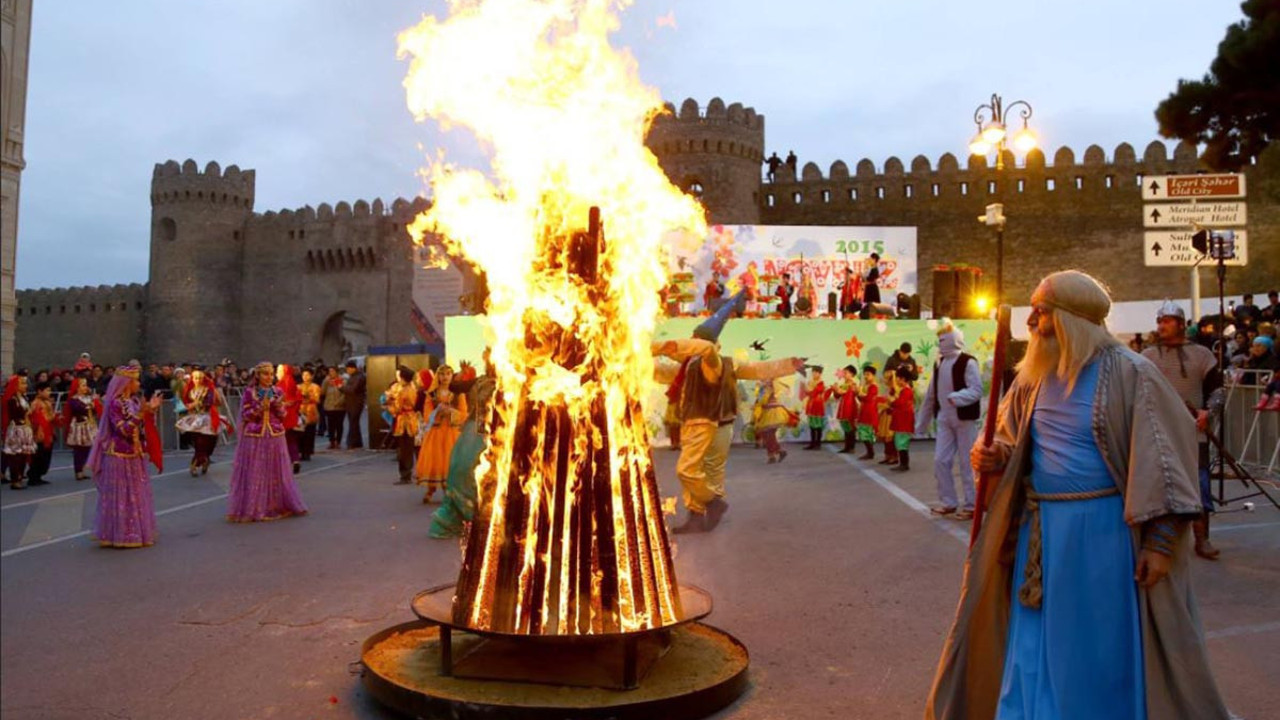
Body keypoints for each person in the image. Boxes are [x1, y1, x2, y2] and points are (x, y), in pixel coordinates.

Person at [926, 270, 1229, 720]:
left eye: (1042, 313)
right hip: (1040, 533)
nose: (1032, 323)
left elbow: (1165, 464)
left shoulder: (1132, 374)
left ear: (1071, 319)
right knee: (1031, 644)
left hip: (1103, 537)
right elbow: (1012, 442)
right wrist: (995, 456)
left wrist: (1160, 543)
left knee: (1094, 650)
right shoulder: (1032, 377)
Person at [653, 292, 805, 533]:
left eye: (696, 338)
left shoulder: (721, 362)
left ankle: (712, 508)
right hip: (700, 423)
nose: (692, 341)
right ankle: (697, 514)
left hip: (718, 424)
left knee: (710, 470)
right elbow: (662, 373)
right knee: (695, 471)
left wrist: (788, 364)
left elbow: (757, 369)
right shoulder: (688, 366)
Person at [1143, 300, 1225, 560]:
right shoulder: (1147, 357)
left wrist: (1207, 412)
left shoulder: (1202, 354)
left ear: (1180, 324)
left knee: (1198, 485)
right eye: (1159, 321)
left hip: (1193, 431)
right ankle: (1156, 544)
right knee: (1156, 486)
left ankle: (1202, 540)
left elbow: (1218, 390)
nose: (1161, 326)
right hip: (1159, 431)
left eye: (1166, 321)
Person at [87, 364, 163, 548]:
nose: (138, 383)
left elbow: (141, 427)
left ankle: (134, 531)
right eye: (135, 380)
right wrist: (142, 413)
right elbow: (124, 430)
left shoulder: (135, 402)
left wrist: (150, 410)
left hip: (134, 454)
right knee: (121, 496)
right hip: (119, 455)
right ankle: (120, 534)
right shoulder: (115, 403)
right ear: (126, 383)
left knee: (135, 494)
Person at [915, 322, 982, 520]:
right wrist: (921, 423)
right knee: (941, 461)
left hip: (964, 418)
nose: (940, 343)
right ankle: (949, 502)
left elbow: (976, 389)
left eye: (944, 338)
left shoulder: (968, 362)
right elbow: (931, 395)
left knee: (967, 463)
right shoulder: (940, 363)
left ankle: (972, 505)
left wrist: (957, 398)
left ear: (954, 339)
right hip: (945, 418)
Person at [226, 362, 308, 523]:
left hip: (274, 434)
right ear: (258, 376)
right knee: (256, 470)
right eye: (265, 374)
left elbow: (283, 414)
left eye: (271, 374)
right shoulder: (250, 392)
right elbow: (245, 414)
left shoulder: (277, 391)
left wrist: (277, 405)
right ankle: (254, 506)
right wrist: (259, 407)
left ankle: (273, 505)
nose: (269, 377)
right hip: (255, 435)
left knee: (274, 469)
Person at [429, 371, 497, 538]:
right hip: (476, 432)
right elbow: (454, 386)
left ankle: (480, 515)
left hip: (491, 432)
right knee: (463, 468)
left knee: (473, 471)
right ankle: (468, 514)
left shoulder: (512, 379)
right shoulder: (480, 381)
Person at [415, 363, 468, 502]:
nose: (445, 377)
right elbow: (427, 415)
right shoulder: (431, 394)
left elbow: (464, 413)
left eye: (448, 374)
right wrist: (438, 411)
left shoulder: (457, 393)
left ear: (452, 376)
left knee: (450, 460)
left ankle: (449, 490)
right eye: (442, 374)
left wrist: (451, 412)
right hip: (436, 431)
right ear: (438, 376)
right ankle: (431, 490)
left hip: (452, 431)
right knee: (435, 461)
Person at [177, 367, 226, 476]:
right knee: (197, 441)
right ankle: (197, 460)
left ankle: (204, 458)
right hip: (194, 418)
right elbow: (183, 404)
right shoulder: (189, 390)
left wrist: (199, 404)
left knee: (207, 441)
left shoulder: (208, 389)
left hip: (206, 417)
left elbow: (212, 402)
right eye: (195, 378)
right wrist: (188, 406)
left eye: (199, 378)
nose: (197, 380)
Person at [385, 367, 420, 485]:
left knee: (404, 449)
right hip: (410, 419)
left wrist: (389, 404)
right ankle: (407, 474)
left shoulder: (403, 391)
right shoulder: (412, 388)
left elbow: (397, 407)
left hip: (404, 421)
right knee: (408, 448)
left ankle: (405, 475)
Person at [65, 376, 101, 481]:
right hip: (80, 426)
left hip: (89, 424)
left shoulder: (88, 398)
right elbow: (80, 409)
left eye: (86, 385)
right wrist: (92, 403)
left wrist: (94, 403)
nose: (86, 387)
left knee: (87, 448)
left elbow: (94, 410)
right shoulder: (74, 399)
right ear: (77, 387)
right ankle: (78, 471)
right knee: (79, 449)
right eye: (83, 385)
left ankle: (83, 468)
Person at [2, 373, 35, 489]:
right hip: (17, 428)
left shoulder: (24, 398)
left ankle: (20, 477)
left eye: (25, 383)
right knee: (15, 455)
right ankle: (15, 479)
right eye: (22, 383)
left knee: (23, 455)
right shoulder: (12, 399)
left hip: (25, 428)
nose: (25, 385)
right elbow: (16, 413)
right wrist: (29, 411)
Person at [752, 377, 793, 464]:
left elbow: (762, 401)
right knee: (769, 436)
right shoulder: (768, 387)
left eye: (764, 378)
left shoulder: (769, 388)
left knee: (768, 435)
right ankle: (775, 454)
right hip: (770, 413)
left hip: (771, 414)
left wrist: (760, 390)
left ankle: (775, 454)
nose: (762, 379)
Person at [26, 382, 58, 486]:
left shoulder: (47, 403)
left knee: (46, 455)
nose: (49, 393)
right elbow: (36, 419)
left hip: (48, 431)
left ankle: (38, 476)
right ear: (39, 391)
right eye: (47, 390)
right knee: (38, 455)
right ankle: (33, 476)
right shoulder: (35, 403)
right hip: (40, 432)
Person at [887, 366, 915, 472]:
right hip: (902, 419)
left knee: (902, 442)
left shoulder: (906, 391)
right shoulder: (903, 390)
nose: (896, 380)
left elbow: (900, 403)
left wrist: (891, 402)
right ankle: (902, 463)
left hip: (904, 420)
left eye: (898, 378)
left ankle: (904, 464)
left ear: (903, 379)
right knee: (900, 441)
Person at [277, 364, 303, 474]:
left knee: (281, 442)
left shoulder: (279, 385)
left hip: (282, 418)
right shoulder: (293, 384)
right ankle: (295, 459)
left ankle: (284, 463)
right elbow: (298, 399)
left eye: (278, 371)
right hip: (293, 417)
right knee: (292, 441)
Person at [854, 363, 880, 460]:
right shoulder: (866, 386)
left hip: (869, 411)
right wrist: (858, 393)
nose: (866, 376)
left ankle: (870, 452)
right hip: (864, 410)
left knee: (867, 433)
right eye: (865, 374)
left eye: (868, 374)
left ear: (873, 375)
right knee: (863, 432)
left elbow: (868, 398)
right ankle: (869, 452)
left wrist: (859, 393)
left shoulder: (873, 386)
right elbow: (862, 399)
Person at [801, 365, 830, 449]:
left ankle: (818, 444)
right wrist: (808, 389)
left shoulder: (821, 383)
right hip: (811, 406)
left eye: (816, 372)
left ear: (820, 374)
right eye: (813, 372)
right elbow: (807, 392)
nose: (814, 374)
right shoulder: (810, 382)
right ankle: (812, 443)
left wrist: (809, 389)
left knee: (818, 426)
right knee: (812, 426)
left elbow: (813, 393)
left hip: (818, 406)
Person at [833, 364, 859, 453]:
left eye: (846, 373)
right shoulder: (844, 384)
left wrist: (838, 390)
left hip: (850, 408)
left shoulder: (853, 384)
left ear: (852, 374)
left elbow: (844, 392)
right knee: (846, 428)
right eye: (844, 373)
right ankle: (847, 447)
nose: (844, 374)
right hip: (843, 408)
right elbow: (837, 396)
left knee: (851, 428)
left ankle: (852, 447)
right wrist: (835, 389)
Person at [341, 360, 367, 449]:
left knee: (353, 422)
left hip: (355, 402)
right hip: (351, 402)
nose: (347, 371)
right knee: (354, 423)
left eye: (348, 369)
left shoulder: (359, 377)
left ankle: (352, 442)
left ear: (352, 368)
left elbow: (353, 389)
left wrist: (342, 387)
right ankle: (357, 442)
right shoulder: (353, 377)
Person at [297, 367, 321, 462]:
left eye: (307, 375)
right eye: (303, 375)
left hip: (311, 412)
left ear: (312, 376)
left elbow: (317, 399)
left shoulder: (315, 387)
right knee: (301, 433)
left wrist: (307, 397)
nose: (305, 377)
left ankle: (308, 452)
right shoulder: (298, 387)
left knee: (310, 433)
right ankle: (301, 451)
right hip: (301, 411)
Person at [322, 366, 346, 450]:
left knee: (339, 425)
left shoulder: (342, 380)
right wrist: (325, 382)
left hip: (340, 407)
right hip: (329, 406)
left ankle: (338, 442)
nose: (330, 373)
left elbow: (344, 393)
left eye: (332, 371)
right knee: (330, 425)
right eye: (329, 371)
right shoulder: (327, 381)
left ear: (336, 372)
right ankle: (331, 441)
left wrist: (339, 402)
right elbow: (323, 392)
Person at [860, 253, 881, 318]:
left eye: (871, 258)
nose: (869, 259)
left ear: (874, 259)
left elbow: (870, 278)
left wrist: (864, 277)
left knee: (874, 306)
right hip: (869, 288)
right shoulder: (870, 268)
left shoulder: (875, 269)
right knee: (867, 306)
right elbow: (864, 279)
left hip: (872, 289)